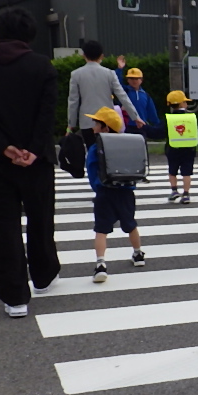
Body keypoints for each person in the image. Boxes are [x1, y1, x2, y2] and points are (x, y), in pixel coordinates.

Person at [0, 7, 62, 318]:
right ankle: (43, 276)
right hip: (37, 159)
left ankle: (15, 296)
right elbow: (48, 112)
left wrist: (5, 147)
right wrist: (31, 149)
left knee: (3, 226)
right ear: (29, 34)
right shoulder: (41, 66)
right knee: (40, 217)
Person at [84, 107, 146, 283]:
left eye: (96, 123)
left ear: (105, 128)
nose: (93, 126)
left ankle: (100, 264)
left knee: (101, 229)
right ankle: (138, 254)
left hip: (105, 192)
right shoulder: (127, 145)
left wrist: (98, 188)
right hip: (126, 191)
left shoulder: (97, 148)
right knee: (130, 224)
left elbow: (92, 171)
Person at [67, 40, 143, 147]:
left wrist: (70, 125)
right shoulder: (110, 74)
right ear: (102, 56)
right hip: (108, 121)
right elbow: (122, 96)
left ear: (84, 55)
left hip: (87, 121)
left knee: (92, 152)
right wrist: (135, 117)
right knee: (108, 154)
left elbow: (73, 101)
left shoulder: (76, 74)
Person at [115, 56, 161, 182]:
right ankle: (126, 173)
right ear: (128, 80)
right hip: (127, 125)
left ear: (141, 80)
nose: (134, 81)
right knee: (126, 152)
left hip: (141, 126)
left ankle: (141, 173)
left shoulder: (145, 95)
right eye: (131, 78)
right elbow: (116, 83)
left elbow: (151, 112)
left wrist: (156, 125)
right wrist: (119, 69)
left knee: (141, 152)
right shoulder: (124, 91)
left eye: (137, 79)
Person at [163, 90, 197, 204]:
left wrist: (145, 128)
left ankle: (174, 190)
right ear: (182, 104)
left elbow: (157, 132)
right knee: (186, 172)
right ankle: (186, 194)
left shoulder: (168, 119)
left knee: (172, 170)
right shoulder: (191, 118)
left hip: (172, 149)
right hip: (189, 149)